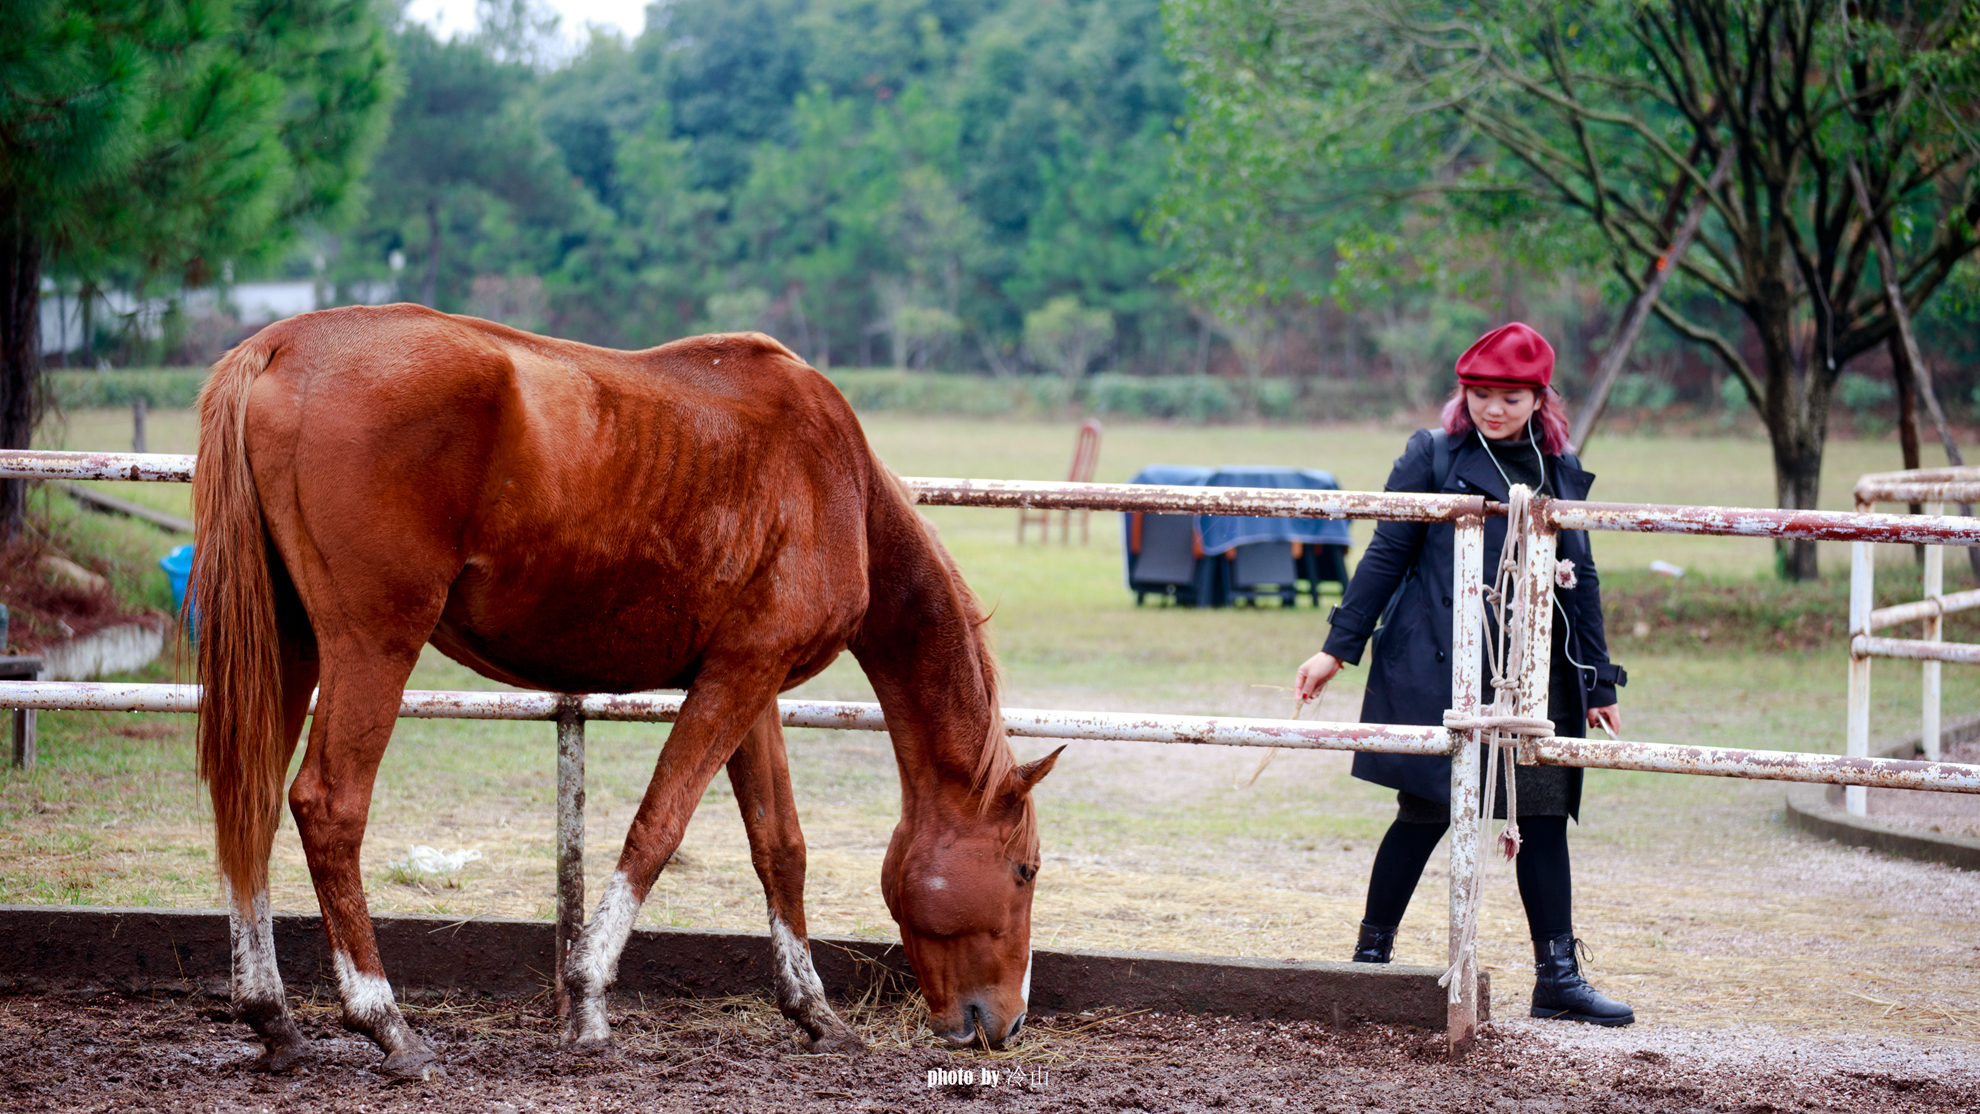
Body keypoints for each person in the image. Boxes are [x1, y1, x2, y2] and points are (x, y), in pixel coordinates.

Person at [1293, 322, 1634, 1027]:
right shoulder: (1433, 454)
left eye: (1509, 396)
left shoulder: (1557, 469)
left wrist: (1597, 680)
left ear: (1539, 398)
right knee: (1424, 815)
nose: (1492, 408)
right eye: (1480, 394)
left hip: (1532, 673)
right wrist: (1336, 648)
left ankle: (1558, 978)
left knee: (1542, 818)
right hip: (1442, 664)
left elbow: (1583, 577)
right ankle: (1370, 961)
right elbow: (1387, 551)